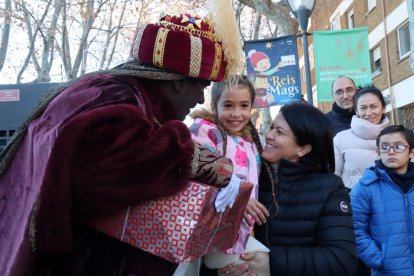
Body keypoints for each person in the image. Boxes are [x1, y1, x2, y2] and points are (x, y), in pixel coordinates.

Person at [0, 1, 247, 275]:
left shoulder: (113, 90)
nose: (201, 98)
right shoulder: (116, 97)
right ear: (178, 81)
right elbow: (114, 168)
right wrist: (215, 166)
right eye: (200, 86)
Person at [218, 102, 357, 276]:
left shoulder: (330, 188)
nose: (268, 135)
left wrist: (271, 263)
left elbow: (341, 260)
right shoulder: (250, 178)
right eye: (271, 127)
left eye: (280, 132)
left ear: (303, 149)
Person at [189, 76, 269, 273]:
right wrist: (239, 197)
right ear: (215, 106)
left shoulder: (249, 141)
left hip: (237, 233)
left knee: (260, 263)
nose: (237, 114)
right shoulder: (205, 131)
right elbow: (195, 173)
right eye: (228, 105)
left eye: (244, 106)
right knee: (259, 263)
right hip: (210, 232)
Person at [351, 125, 414, 275]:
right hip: (388, 270)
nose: (391, 151)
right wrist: (379, 260)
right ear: (378, 152)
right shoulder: (365, 187)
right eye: (385, 147)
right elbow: (355, 229)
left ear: (411, 151)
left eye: (398, 146)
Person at [334, 85, 390, 191]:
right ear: (356, 111)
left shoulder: (398, 137)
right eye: (363, 108)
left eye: (373, 106)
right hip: (354, 203)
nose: (369, 113)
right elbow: (333, 177)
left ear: (383, 108)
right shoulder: (341, 139)